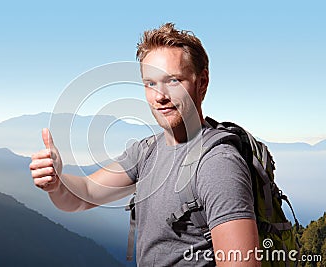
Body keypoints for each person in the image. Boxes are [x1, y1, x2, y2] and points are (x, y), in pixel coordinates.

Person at [29, 23, 260, 266]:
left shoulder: (217, 165)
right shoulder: (147, 152)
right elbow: (83, 195)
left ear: (202, 82)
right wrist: (56, 182)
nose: (159, 96)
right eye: (150, 83)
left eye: (173, 81)